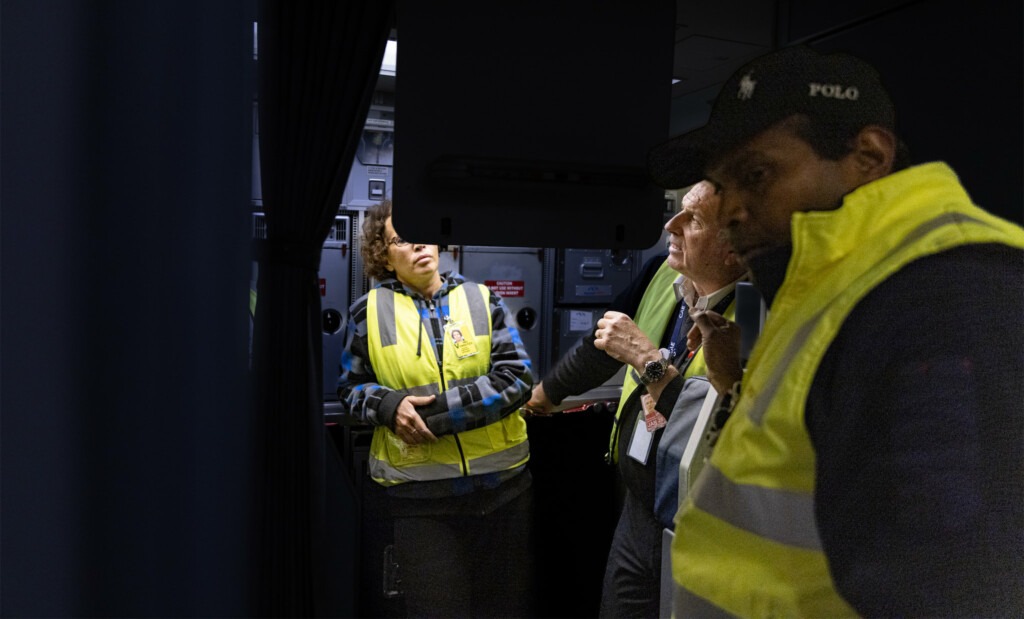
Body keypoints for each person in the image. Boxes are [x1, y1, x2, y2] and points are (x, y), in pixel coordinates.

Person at [648, 44, 1024, 618]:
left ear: (869, 155)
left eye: (756, 175)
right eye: (721, 187)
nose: (728, 212)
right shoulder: (824, 285)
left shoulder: (941, 298)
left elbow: (952, 586)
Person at [526, 181, 747, 618]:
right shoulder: (662, 272)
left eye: (694, 221)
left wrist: (647, 361)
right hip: (638, 504)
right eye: (679, 212)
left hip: (700, 517)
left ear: (734, 251)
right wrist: (544, 395)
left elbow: (734, 423)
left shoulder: (758, 312)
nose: (671, 225)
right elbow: (605, 342)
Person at [338, 199, 535, 618]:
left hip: (503, 492)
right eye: (401, 240)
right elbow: (351, 389)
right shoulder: (367, 313)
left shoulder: (484, 300)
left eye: (423, 235)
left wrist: (433, 415)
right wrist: (390, 407)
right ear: (384, 256)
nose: (418, 246)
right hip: (420, 502)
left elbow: (518, 379)